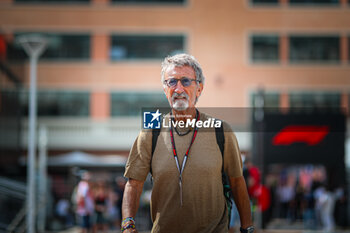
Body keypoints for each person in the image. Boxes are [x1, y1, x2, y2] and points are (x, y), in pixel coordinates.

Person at [122, 53, 254, 233]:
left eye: (185, 81)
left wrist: (248, 229)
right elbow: (133, 184)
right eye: (172, 82)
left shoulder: (220, 130)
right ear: (164, 89)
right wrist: (127, 225)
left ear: (199, 88)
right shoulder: (151, 131)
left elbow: (238, 183)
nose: (178, 89)